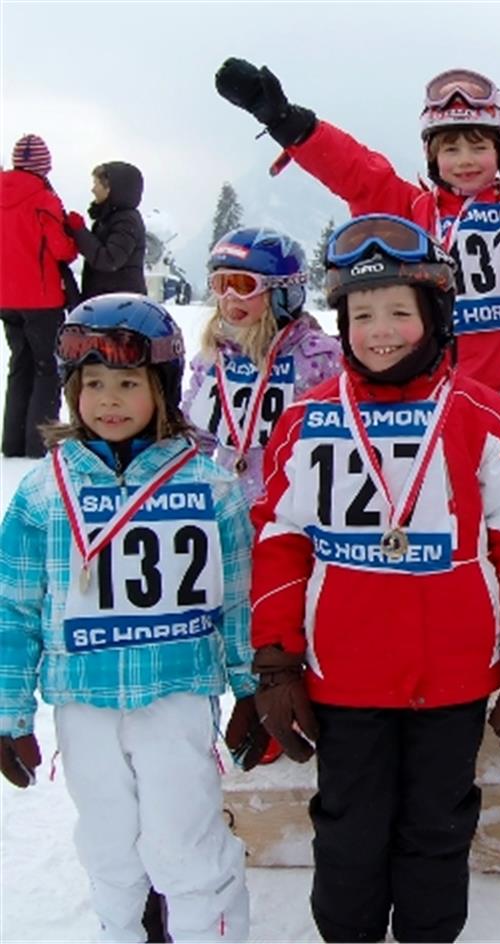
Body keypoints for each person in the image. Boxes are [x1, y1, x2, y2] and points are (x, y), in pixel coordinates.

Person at [248, 214, 500, 943]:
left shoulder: (480, 414)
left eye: (398, 312)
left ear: (435, 318)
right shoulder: (309, 419)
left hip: (450, 676)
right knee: (349, 828)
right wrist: (274, 662)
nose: (379, 330)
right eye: (361, 315)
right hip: (342, 676)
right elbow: (280, 542)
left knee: (439, 824)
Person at [0, 294, 261, 941]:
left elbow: (238, 598)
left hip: (175, 698)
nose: (108, 400)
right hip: (84, 706)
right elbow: (13, 607)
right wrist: (9, 713)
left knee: (186, 846)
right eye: (92, 385)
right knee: (111, 849)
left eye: (127, 383)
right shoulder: (45, 488)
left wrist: (254, 687)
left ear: (163, 390)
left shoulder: (208, 481)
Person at [214, 54, 500, 409]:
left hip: (499, 406)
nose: (463, 160)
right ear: (432, 157)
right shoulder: (409, 210)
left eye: (478, 146)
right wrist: (285, 122)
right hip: (417, 401)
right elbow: (353, 170)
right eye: (450, 148)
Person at [181, 226, 342, 501]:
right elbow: (194, 441)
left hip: (293, 511)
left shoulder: (320, 359)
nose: (230, 295)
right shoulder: (213, 362)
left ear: (282, 292)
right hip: (228, 513)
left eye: (244, 285)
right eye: (221, 284)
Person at [0, 133, 78, 457]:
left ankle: (12, 442)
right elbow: (63, 250)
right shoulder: (44, 198)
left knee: (20, 365)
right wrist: (73, 228)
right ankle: (39, 444)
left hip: (5, 298)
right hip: (42, 299)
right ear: (44, 166)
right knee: (46, 368)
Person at [66, 161, 148, 299]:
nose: (93, 190)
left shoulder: (126, 221)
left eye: (96, 184)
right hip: (109, 302)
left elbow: (110, 260)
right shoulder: (108, 218)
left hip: (119, 305)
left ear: (110, 188)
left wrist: (79, 231)